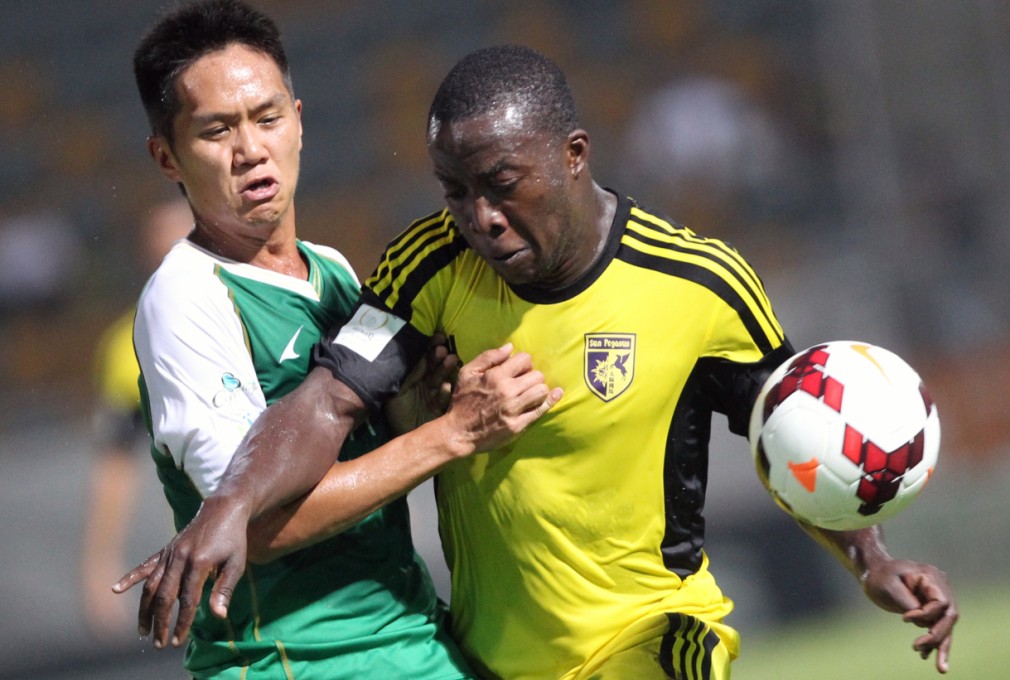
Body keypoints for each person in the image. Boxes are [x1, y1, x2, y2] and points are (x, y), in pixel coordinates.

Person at [117, 44, 958, 678]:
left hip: (654, 636)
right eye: (455, 190)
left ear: (573, 155)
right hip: (491, 658)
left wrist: (871, 558)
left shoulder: (700, 284)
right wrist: (231, 502)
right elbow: (325, 402)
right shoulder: (425, 270)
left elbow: (796, 433)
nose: (479, 216)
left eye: (502, 183)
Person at [122, 3, 559, 678]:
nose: (250, 149)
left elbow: (360, 444)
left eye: (267, 118)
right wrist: (453, 433)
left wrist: (419, 408)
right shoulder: (185, 300)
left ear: (299, 121)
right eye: (217, 130)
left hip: (403, 629)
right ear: (166, 157)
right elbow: (251, 528)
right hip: (299, 657)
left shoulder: (331, 270)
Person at [80, 198, 192, 639]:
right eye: (167, 244)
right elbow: (116, 469)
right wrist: (100, 566)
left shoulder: (260, 311)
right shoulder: (126, 346)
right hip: (202, 545)